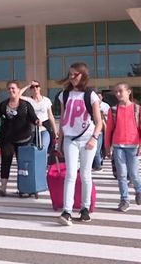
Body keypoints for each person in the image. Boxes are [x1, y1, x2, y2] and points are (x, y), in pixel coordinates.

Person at [56, 62, 103, 226]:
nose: (72, 77)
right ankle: (67, 210)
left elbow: (99, 122)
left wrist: (94, 138)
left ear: (83, 75)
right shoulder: (65, 94)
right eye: (70, 74)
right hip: (70, 139)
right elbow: (63, 119)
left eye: (75, 74)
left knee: (85, 175)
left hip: (88, 138)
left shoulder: (90, 95)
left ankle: (84, 208)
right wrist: (59, 142)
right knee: (70, 174)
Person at [0, 80, 39, 197]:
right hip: (7, 139)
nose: (11, 91)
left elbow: (33, 117)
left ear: (18, 90)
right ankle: (3, 187)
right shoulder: (4, 105)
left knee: (23, 164)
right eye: (9, 89)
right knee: (6, 162)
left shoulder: (25, 105)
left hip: (24, 139)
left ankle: (24, 187)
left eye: (13, 88)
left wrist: (37, 121)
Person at [104, 82, 141, 212]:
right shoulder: (113, 110)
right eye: (116, 92)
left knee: (134, 174)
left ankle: (139, 190)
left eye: (120, 91)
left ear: (129, 92)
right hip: (118, 145)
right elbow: (108, 130)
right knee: (122, 174)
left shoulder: (137, 109)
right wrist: (107, 146)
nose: (118, 94)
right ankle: (124, 200)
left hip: (133, 145)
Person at [19, 80, 58, 154]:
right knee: (33, 149)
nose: (35, 88)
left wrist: (55, 131)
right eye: (33, 87)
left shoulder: (46, 100)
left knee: (44, 148)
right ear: (30, 89)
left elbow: (51, 116)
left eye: (37, 86)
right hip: (32, 129)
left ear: (40, 88)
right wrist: (28, 85)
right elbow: (17, 95)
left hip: (44, 128)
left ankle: (44, 164)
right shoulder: (28, 100)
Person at [91, 92, 110, 172]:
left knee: (97, 150)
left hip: (99, 133)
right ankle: (95, 165)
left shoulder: (101, 111)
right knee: (93, 150)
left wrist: (107, 134)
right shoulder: (90, 111)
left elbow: (104, 123)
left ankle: (98, 165)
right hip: (90, 133)